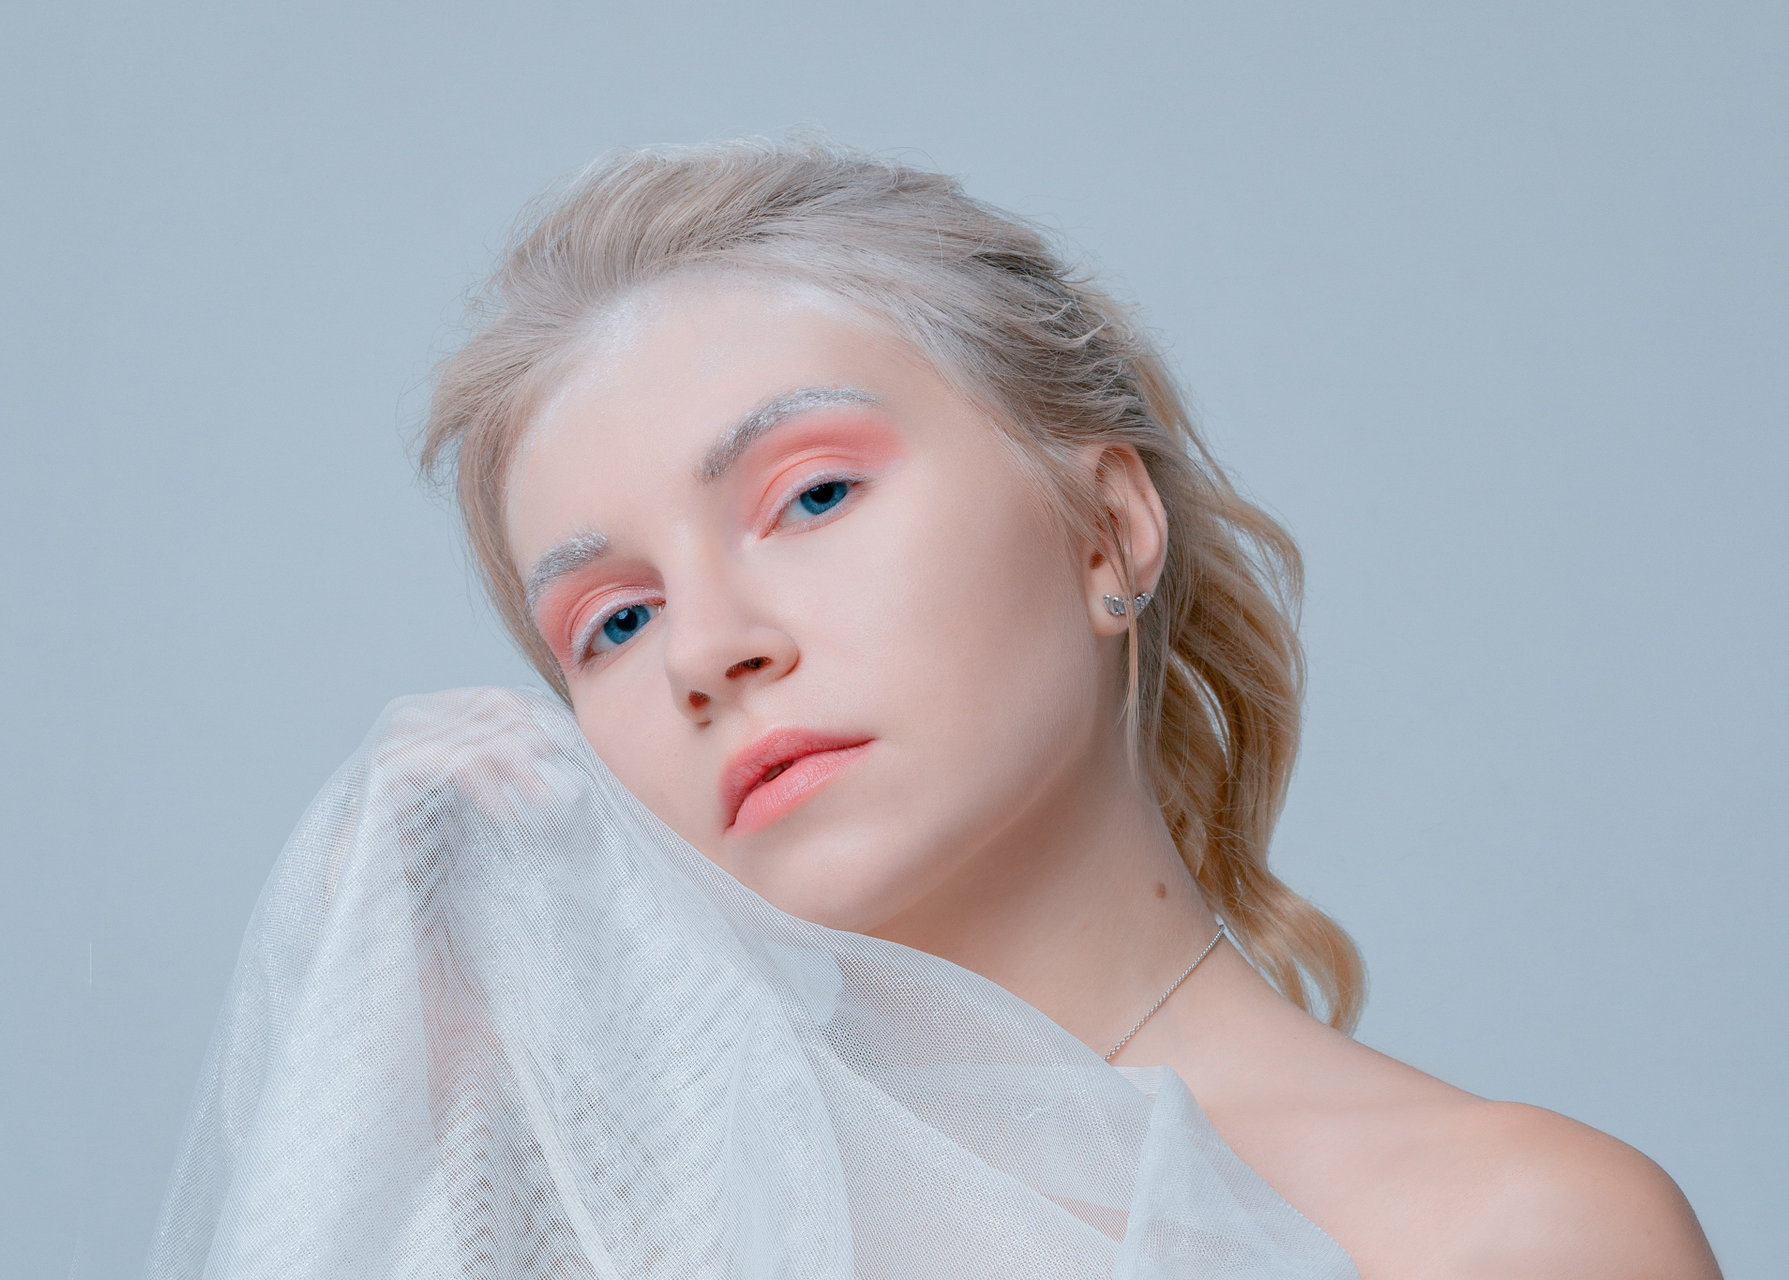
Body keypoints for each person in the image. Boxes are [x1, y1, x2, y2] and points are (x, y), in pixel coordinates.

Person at [146, 139, 1719, 1279]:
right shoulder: (636, 1226)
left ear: (1106, 529)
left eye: (814, 495)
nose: (706, 650)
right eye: (613, 621)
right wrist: (433, 1126)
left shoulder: (1503, 1235)